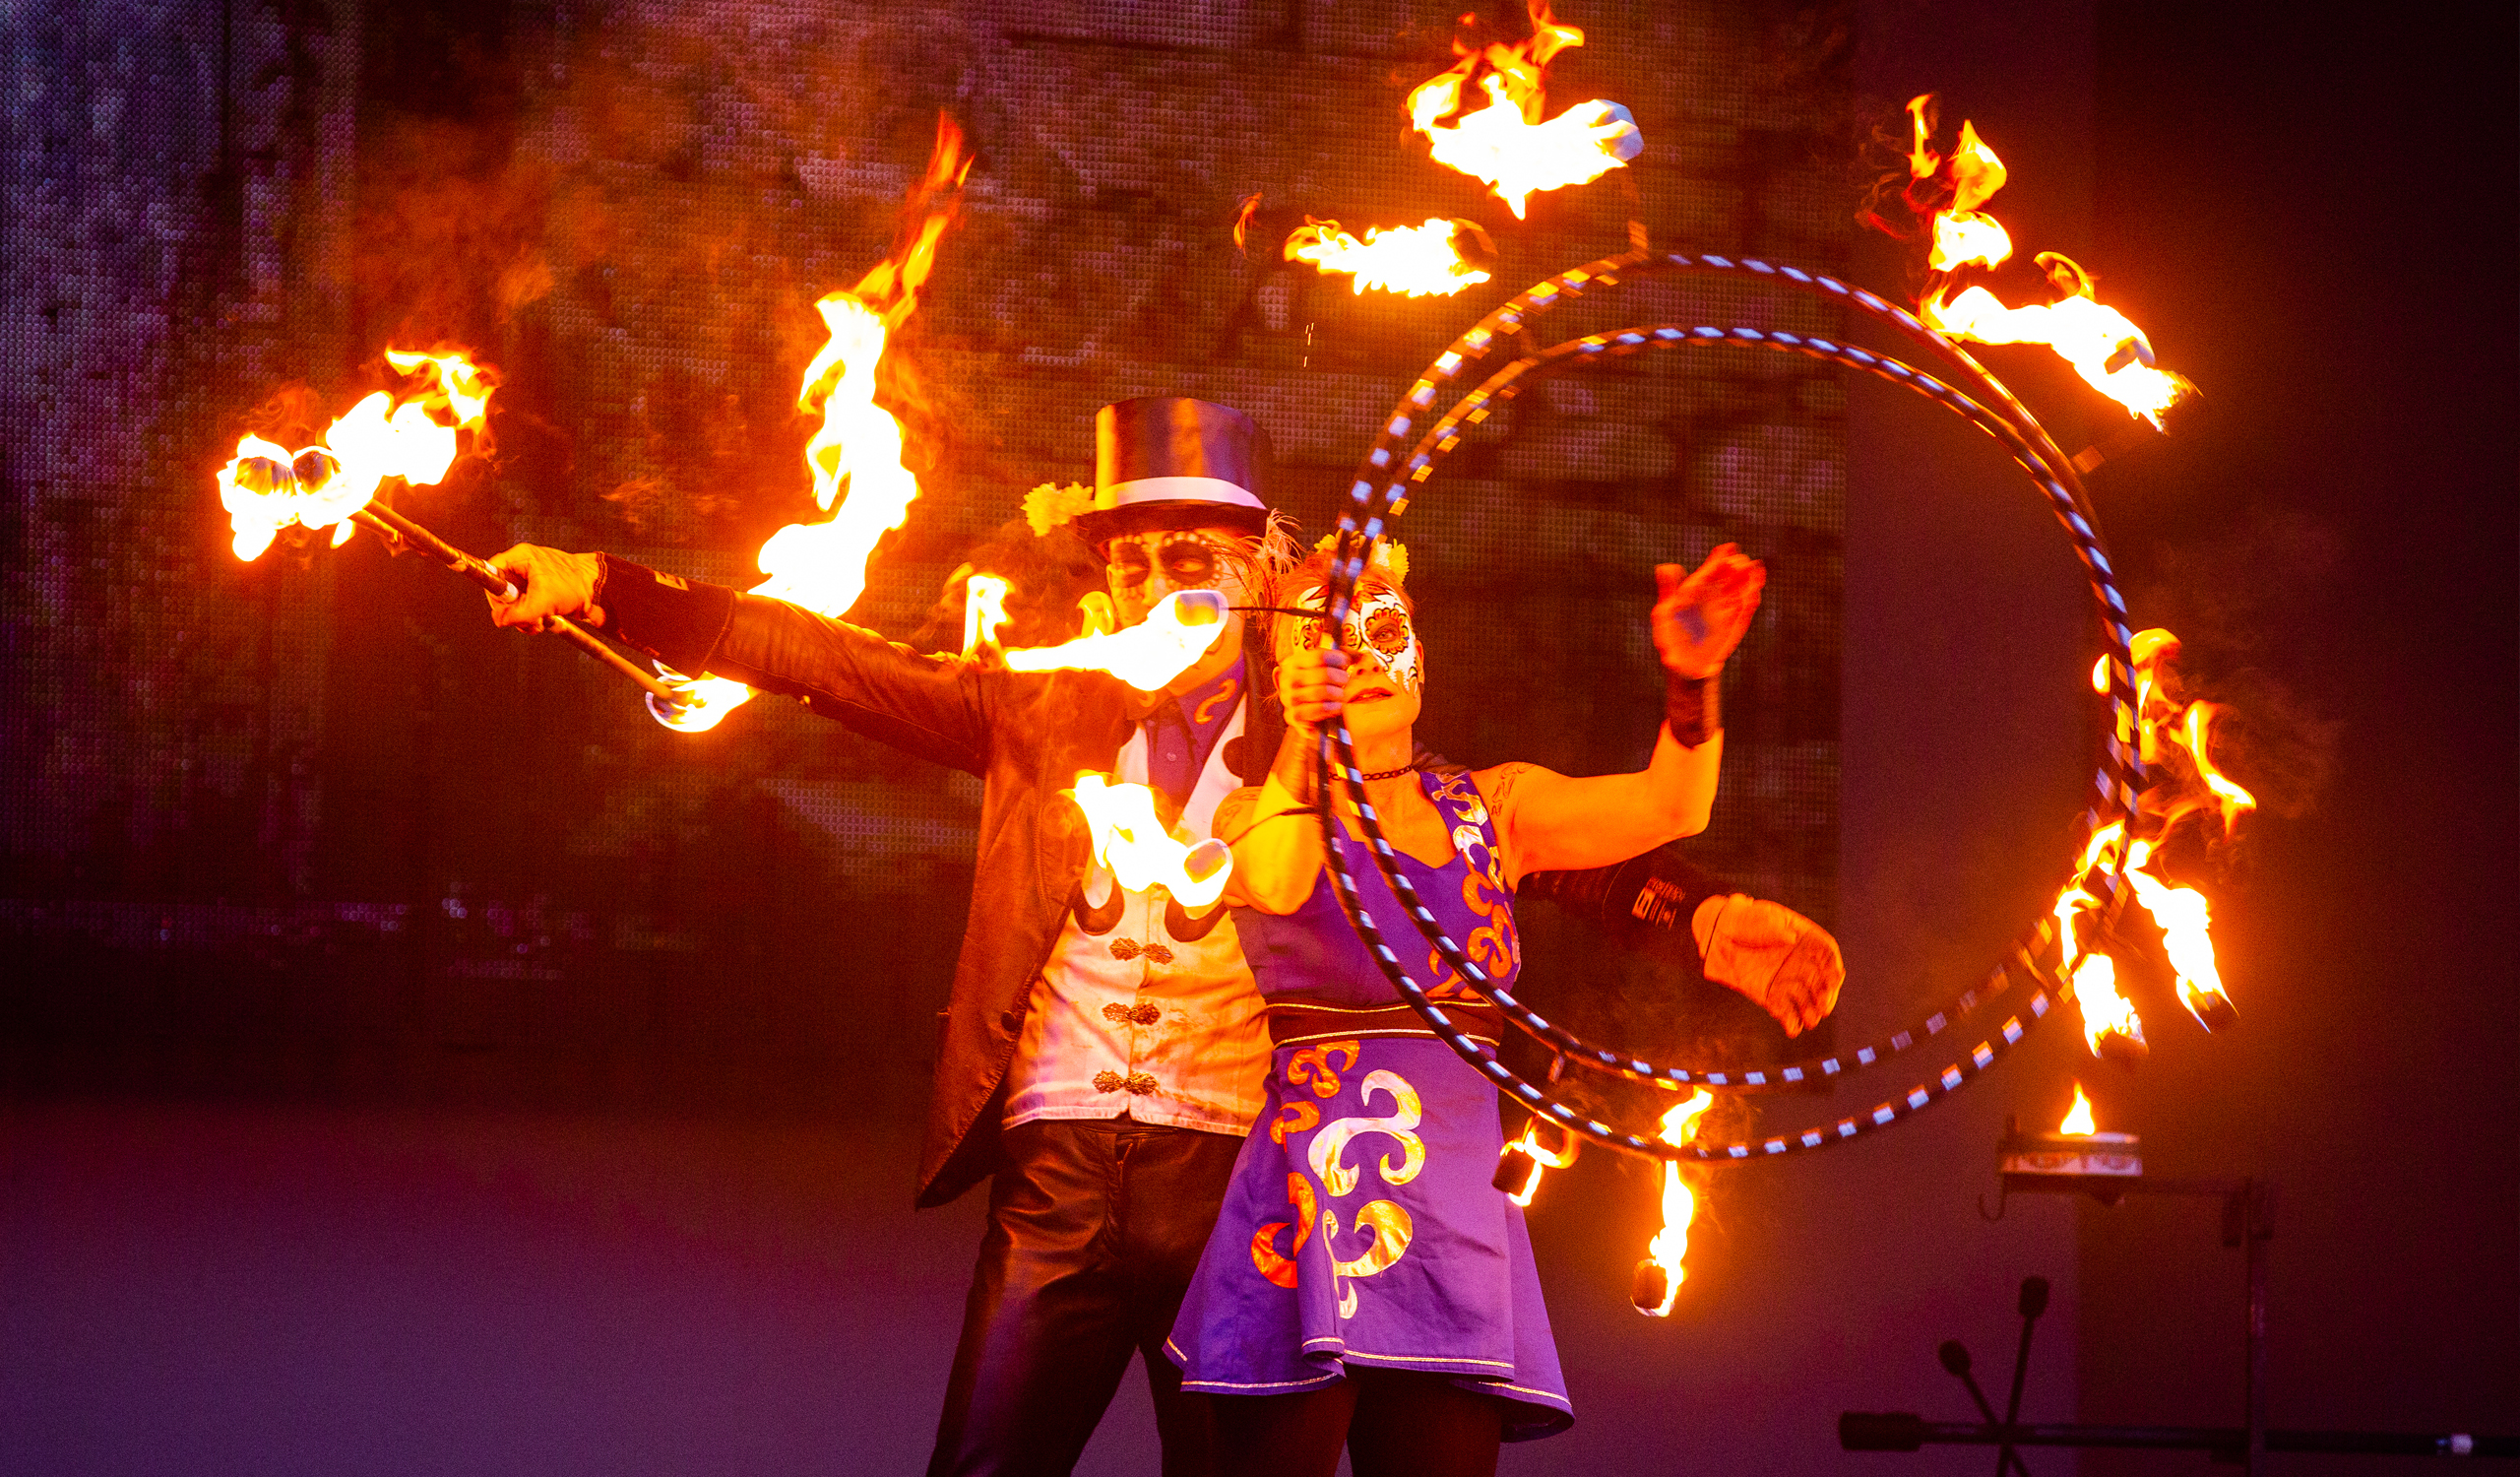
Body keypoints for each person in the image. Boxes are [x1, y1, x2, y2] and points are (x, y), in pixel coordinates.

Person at [486, 396, 1295, 1477]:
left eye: (1187, 553)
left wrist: (1610, 885)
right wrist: (601, 585)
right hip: (1055, 1180)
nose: (1155, 582)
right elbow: (827, 660)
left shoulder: (1323, 740)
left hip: (1238, 1180)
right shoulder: (1037, 711)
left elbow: (1477, 831)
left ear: (1258, 569)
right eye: (1131, 562)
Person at [1163, 537, 1781, 1475]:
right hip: (1306, 1209)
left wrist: (1693, 680)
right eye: (1321, 638)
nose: (1360, 653)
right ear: (1282, 674)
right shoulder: (1250, 811)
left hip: (1454, 1216)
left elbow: (1672, 807)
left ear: (1421, 652)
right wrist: (1304, 735)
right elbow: (1281, 883)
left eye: (1380, 626)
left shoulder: (1494, 807)